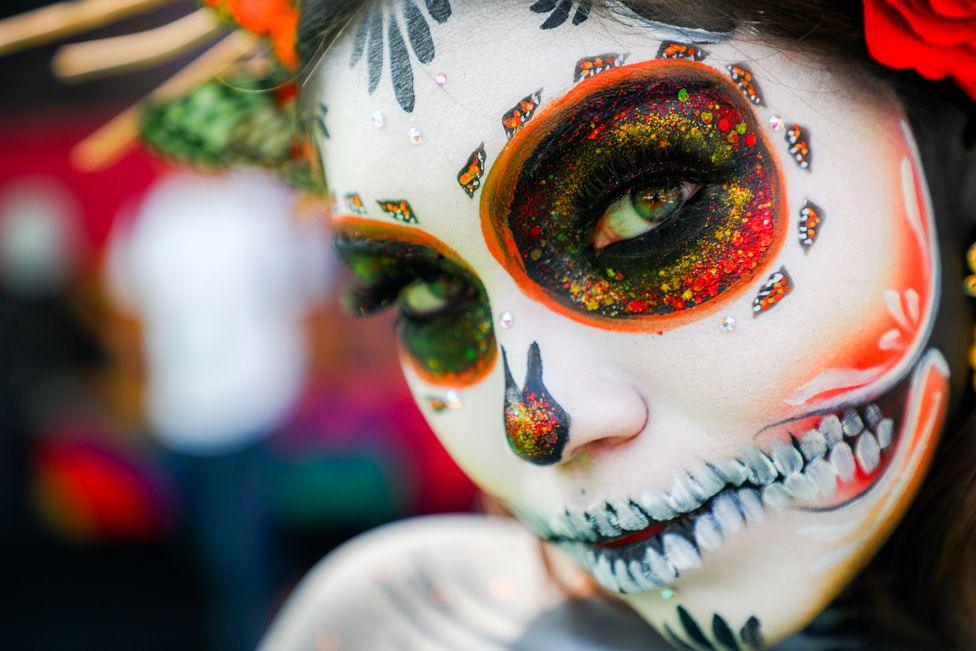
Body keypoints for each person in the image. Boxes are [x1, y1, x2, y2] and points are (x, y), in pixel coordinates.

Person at [261, 1, 976, 649]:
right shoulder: (398, 632)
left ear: (958, 141)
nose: (541, 423)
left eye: (650, 202)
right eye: (426, 293)